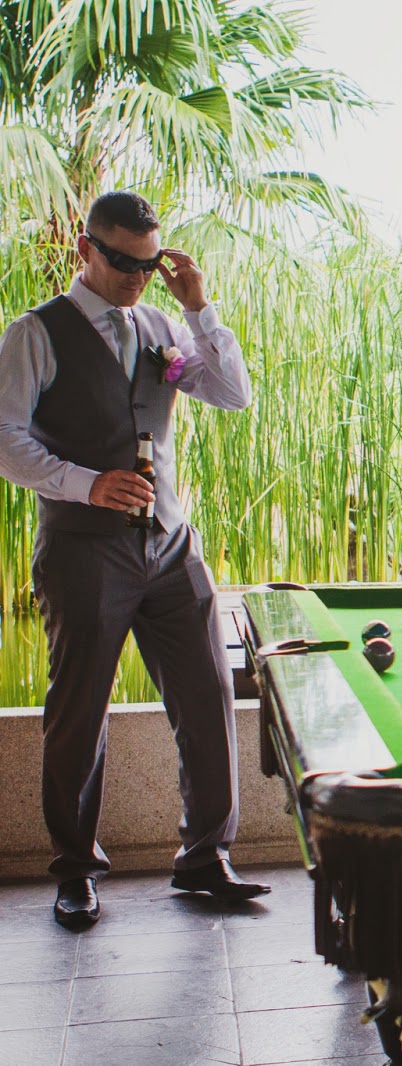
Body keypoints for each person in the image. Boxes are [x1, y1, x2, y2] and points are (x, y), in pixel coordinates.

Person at [0, 191, 267, 930]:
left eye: (147, 264)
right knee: (79, 709)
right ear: (86, 249)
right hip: (85, 550)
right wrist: (88, 484)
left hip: (171, 542)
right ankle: (76, 872)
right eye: (120, 260)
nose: (135, 276)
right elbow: (5, 439)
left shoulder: (158, 324)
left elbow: (232, 394)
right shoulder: (36, 334)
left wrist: (198, 309)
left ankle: (204, 857)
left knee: (210, 693)